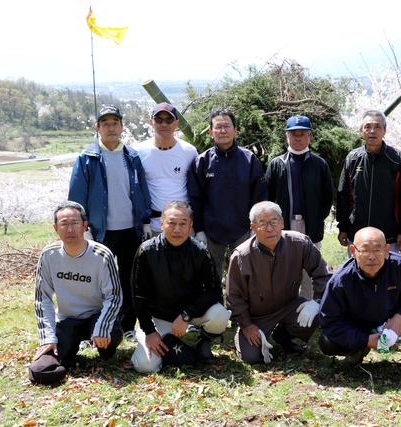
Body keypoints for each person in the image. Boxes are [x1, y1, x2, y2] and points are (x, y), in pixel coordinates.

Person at [68, 104, 152, 342]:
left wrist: (144, 221)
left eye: (115, 123)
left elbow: (142, 191)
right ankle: (89, 328)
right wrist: (82, 227)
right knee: (95, 280)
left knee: (129, 279)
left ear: (122, 126)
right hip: (100, 232)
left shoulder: (132, 156)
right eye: (105, 123)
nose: (111, 128)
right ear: (98, 128)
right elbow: (76, 197)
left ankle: (126, 325)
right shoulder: (87, 158)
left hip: (131, 229)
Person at [318, 227, 401, 378]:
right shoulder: (340, 281)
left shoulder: (400, 266)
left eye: (377, 250)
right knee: (328, 342)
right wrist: (365, 339)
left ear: (387, 250)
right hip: (360, 326)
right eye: (364, 250)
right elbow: (329, 320)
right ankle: (357, 351)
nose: (371, 257)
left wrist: (399, 317)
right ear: (353, 251)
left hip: (393, 320)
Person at [130, 201, 231, 373]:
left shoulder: (201, 252)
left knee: (220, 315)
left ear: (191, 225)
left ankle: (203, 341)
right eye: (171, 223)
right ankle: (169, 344)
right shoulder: (146, 251)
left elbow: (213, 291)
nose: (177, 229)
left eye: (183, 224)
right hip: (158, 318)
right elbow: (138, 295)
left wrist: (186, 315)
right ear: (161, 224)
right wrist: (149, 331)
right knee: (145, 366)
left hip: (190, 315)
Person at [28, 201, 123, 384]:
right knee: (41, 370)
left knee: (108, 343)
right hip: (67, 320)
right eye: (64, 224)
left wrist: (102, 327)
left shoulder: (101, 254)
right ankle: (64, 357)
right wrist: (47, 337)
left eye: (74, 223)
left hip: (96, 316)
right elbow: (43, 299)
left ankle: (103, 344)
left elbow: (114, 295)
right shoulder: (49, 255)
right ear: (56, 228)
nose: (69, 229)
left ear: (84, 226)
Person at [226, 201, 331, 364]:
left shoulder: (300, 243)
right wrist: (246, 325)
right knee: (252, 357)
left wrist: (317, 302)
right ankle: (245, 334)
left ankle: (283, 336)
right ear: (253, 227)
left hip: (289, 305)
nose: (270, 229)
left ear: (282, 222)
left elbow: (323, 274)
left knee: (316, 314)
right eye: (262, 223)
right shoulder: (241, 256)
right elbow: (233, 297)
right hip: (256, 316)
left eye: (274, 222)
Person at [187, 108, 268, 279]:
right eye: (218, 127)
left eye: (227, 126)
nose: (222, 130)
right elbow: (195, 198)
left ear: (235, 130)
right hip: (211, 231)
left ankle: (240, 306)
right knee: (210, 275)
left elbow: (260, 197)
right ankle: (215, 305)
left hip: (243, 229)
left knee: (245, 274)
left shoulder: (249, 159)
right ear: (210, 132)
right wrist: (199, 229)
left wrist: (256, 226)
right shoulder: (202, 162)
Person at [264, 115, 334, 299]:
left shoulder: (319, 164)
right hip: (283, 225)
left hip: (310, 224)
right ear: (286, 137)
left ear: (310, 137)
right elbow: (268, 197)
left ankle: (308, 307)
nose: (297, 138)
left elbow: (328, 197)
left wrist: (317, 217)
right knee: (283, 267)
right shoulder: (277, 164)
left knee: (309, 269)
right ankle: (284, 310)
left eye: (302, 134)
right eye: (293, 134)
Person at [336, 110, 401, 253]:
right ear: (361, 131)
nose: (372, 131)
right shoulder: (352, 159)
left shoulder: (397, 159)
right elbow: (343, 195)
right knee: (357, 274)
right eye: (367, 126)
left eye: (377, 127)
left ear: (384, 131)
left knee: (388, 274)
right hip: (357, 234)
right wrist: (343, 228)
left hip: (388, 236)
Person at [136, 102, 199, 236]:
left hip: (184, 225)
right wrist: (143, 222)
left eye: (169, 120)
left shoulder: (189, 151)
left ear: (176, 123)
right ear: (151, 122)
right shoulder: (139, 151)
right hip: (153, 225)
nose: (164, 124)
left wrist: (199, 228)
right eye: (159, 119)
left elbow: (198, 190)